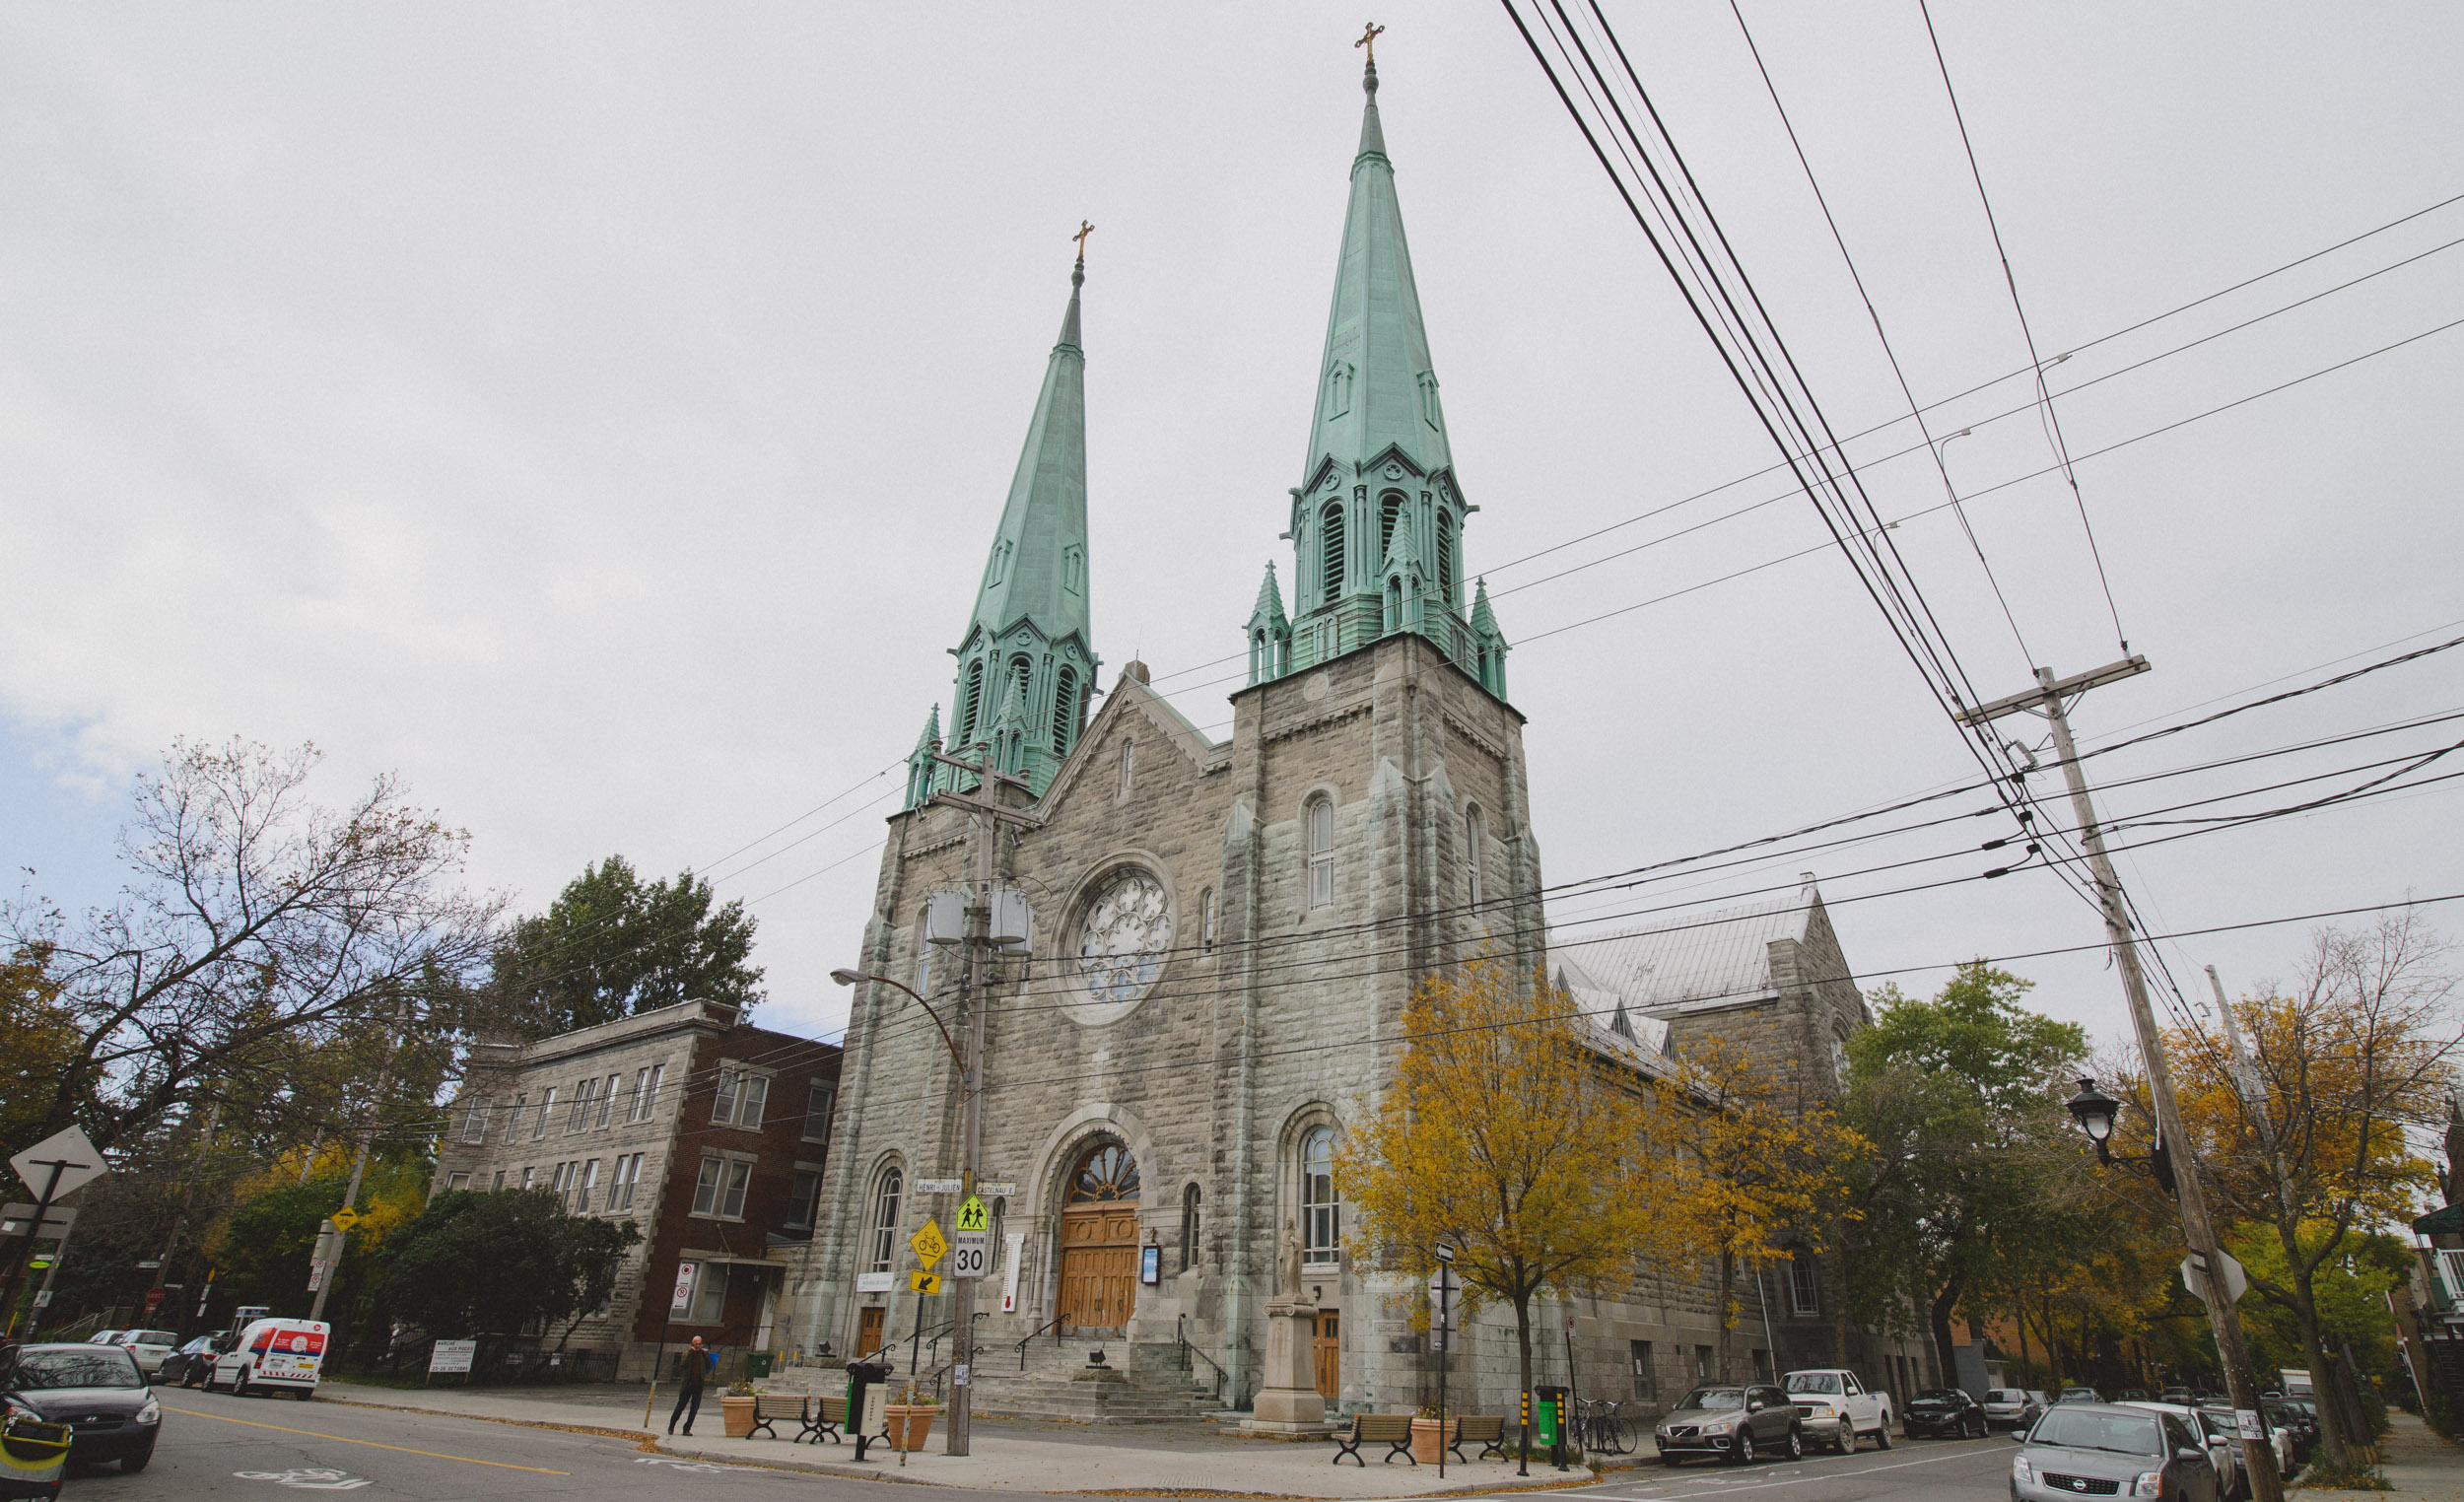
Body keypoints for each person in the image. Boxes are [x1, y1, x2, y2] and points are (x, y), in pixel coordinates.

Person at [668, 1335, 713, 1435]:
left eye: (699, 1344)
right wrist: (690, 1352)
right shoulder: (687, 1353)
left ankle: (687, 1429)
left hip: (698, 1385)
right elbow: (683, 1364)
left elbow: (709, 1365)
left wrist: (706, 1355)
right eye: (695, 1344)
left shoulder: (702, 1354)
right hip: (687, 1385)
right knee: (680, 1407)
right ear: (692, 1343)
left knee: (694, 1409)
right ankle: (672, 1426)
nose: (697, 1346)